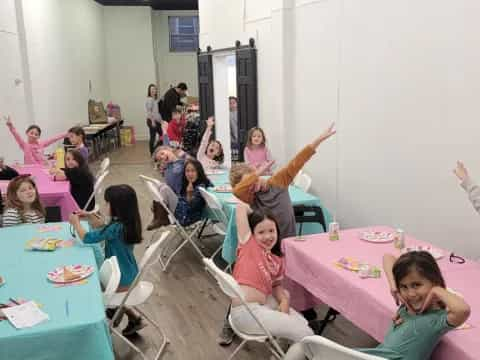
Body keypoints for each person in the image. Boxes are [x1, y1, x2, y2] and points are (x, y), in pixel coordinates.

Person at [218, 123, 336, 345]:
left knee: (292, 276)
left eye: (254, 179)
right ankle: (229, 321)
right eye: (249, 184)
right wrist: (254, 177)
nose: (254, 186)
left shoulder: (278, 181)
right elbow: (237, 191)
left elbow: (298, 160)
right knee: (252, 281)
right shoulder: (249, 198)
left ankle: (306, 309)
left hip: (287, 238)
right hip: (264, 245)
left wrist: (318, 140)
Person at [285, 251, 471, 360]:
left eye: (417, 285)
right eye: (404, 287)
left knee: (302, 348)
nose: (411, 293)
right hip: (371, 356)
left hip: (372, 358)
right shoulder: (406, 305)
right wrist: (394, 287)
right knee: (302, 347)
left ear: (434, 282)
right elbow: (388, 257)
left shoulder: (436, 320)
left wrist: (437, 290)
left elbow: (463, 309)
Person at [229, 203, 314, 343]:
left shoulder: (277, 259)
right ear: (252, 233)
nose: (268, 236)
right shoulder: (248, 244)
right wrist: (257, 214)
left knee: (303, 323)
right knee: (307, 336)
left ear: (277, 231)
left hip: (262, 307)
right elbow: (240, 207)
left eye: (271, 230)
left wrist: (285, 300)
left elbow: (276, 286)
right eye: (261, 232)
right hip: (246, 312)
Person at [69, 184, 146, 336]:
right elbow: (105, 228)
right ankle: (130, 317)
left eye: (108, 202)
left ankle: (113, 315)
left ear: (117, 207)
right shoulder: (128, 223)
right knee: (101, 281)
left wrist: (76, 223)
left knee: (91, 284)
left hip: (120, 279)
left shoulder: (115, 228)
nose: (105, 205)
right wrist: (88, 215)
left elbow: (87, 238)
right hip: (130, 274)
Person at [145, 84, 163, 155]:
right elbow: (149, 111)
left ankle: (156, 150)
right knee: (153, 137)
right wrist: (153, 121)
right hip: (152, 121)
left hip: (156, 121)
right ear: (149, 91)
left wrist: (161, 121)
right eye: (151, 90)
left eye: (154, 89)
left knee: (161, 135)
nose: (153, 91)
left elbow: (156, 112)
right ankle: (152, 152)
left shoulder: (155, 99)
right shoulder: (150, 99)